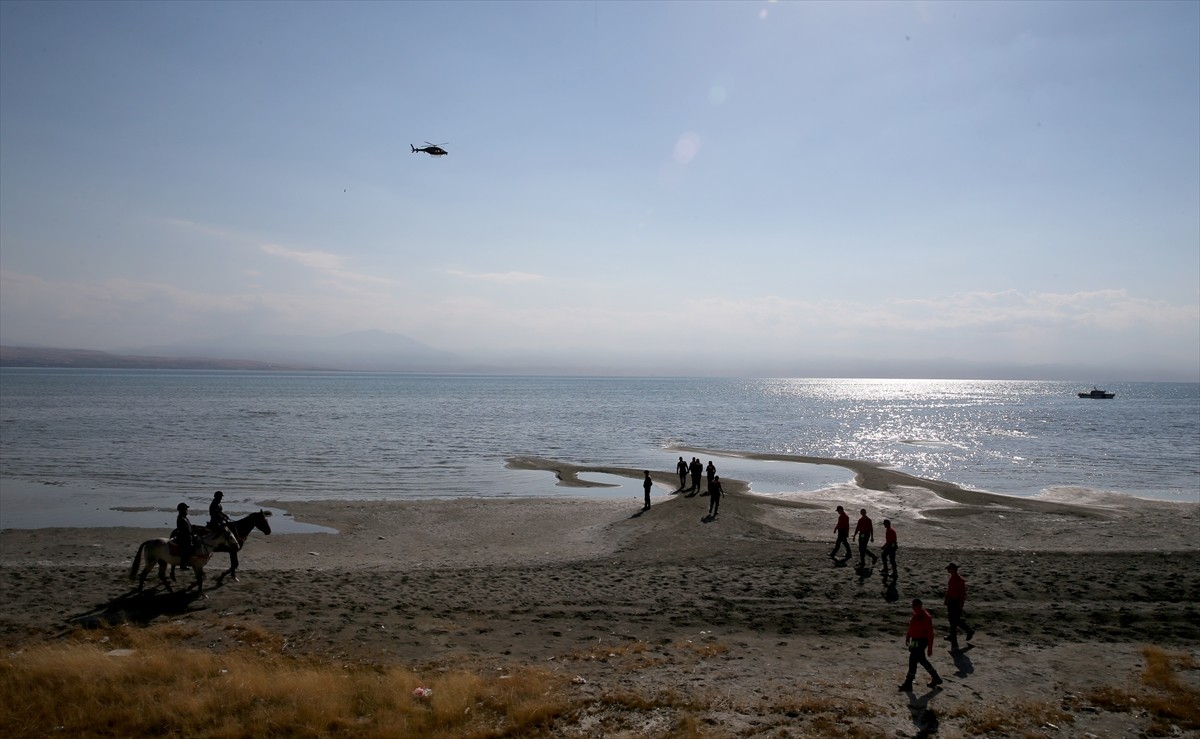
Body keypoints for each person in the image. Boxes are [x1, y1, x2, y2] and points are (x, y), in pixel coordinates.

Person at [899, 598, 942, 691]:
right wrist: (908, 637)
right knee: (922, 660)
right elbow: (911, 627)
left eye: (916, 607)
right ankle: (936, 678)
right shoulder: (915, 615)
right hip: (915, 640)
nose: (914, 609)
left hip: (922, 641)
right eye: (913, 607)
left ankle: (908, 683)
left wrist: (930, 648)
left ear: (920, 606)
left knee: (913, 660)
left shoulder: (926, 617)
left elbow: (930, 634)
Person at [944, 563, 976, 651]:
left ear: (953, 569)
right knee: (952, 620)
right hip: (951, 601)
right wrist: (946, 599)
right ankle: (954, 636)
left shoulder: (960, 580)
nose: (947, 570)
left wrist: (960, 605)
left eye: (949, 569)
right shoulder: (951, 578)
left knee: (955, 621)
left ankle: (964, 634)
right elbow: (949, 590)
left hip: (956, 602)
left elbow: (962, 595)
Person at [173, 502, 195, 569]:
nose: (186, 510)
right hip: (183, 537)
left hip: (187, 536)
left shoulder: (185, 518)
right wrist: (191, 534)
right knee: (186, 547)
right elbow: (184, 530)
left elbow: (189, 527)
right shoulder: (181, 518)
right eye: (185, 509)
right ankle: (183, 564)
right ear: (182, 510)